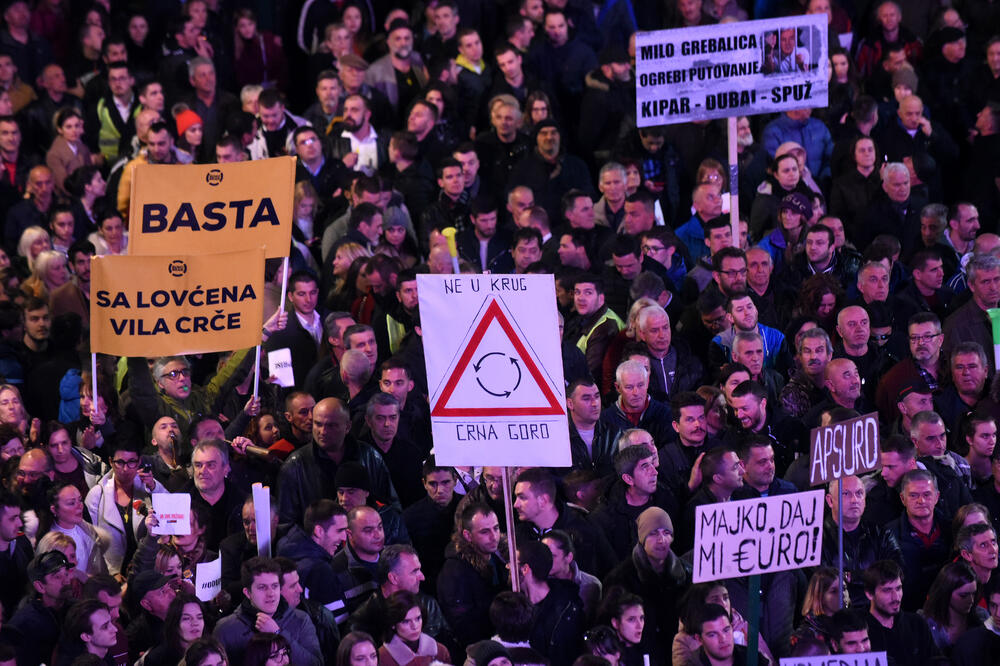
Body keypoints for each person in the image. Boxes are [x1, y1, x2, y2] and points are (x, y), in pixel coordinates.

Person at [213, 557, 322, 666]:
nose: (271, 593)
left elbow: (316, 664)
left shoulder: (301, 619)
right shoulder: (226, 629)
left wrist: (278, 633)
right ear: (247, 593)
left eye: (275, 586)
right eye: (262, 587)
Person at [377, 590, 451, 666]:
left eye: (418, 618)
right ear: (393, 624)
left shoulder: (440, 651)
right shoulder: (381, 658)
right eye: (406, 621)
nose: (414, 626)